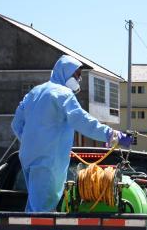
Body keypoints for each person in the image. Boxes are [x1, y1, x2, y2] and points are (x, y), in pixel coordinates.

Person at [11, 55, 132, 212]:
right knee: (42, 210)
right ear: (65, 72)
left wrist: (31, 141)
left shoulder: (34, 92)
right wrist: (112, 135)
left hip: (27, 156)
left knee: (35, 203)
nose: (79, 79)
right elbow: (82, 121)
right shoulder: (63, 94)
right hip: (48, 160)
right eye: (77, 75)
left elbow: (16, 124)